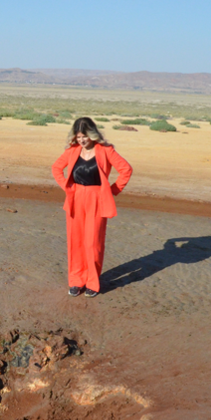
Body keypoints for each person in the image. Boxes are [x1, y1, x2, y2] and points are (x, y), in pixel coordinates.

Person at [51, 117, 132, 297]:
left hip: (97, 199)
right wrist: (67, 187)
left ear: (92, 135)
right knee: (76, 242)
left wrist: (111, 191)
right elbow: (56, 168)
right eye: (78, 136)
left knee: (93, 243)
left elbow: (126, 170)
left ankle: (92, 284)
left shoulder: (105, 150)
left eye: (85, 136)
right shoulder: (72, 151)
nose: (82, 140)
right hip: (76, 198)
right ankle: (76, 281)